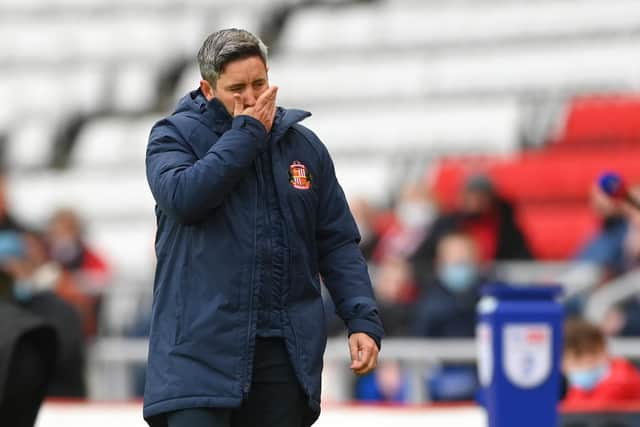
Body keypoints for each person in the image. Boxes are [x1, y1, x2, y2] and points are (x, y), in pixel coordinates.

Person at [144, 29, 384, 427]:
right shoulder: (172, 137)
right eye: (237, 88)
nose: (253, 98)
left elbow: (337, 242)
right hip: (197, 354)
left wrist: (362, 319)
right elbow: (185, 198)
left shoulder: (304, 148)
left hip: (283, 353)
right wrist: (247, 135)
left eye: (260, 83)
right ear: (207, 88)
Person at [412, 174, 531, 284]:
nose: (475, 201)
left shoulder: (506, 227)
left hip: (492, 281)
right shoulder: (446, 224)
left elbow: (523, 261)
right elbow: (422, 257)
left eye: (481, 196)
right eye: (471, 195)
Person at [562, 318, 640, 409]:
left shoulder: (622, 377)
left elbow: (581, 411)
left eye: (594, 353)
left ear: (605, 351)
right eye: (577, 358)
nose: (588, 363)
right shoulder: (576, 387)